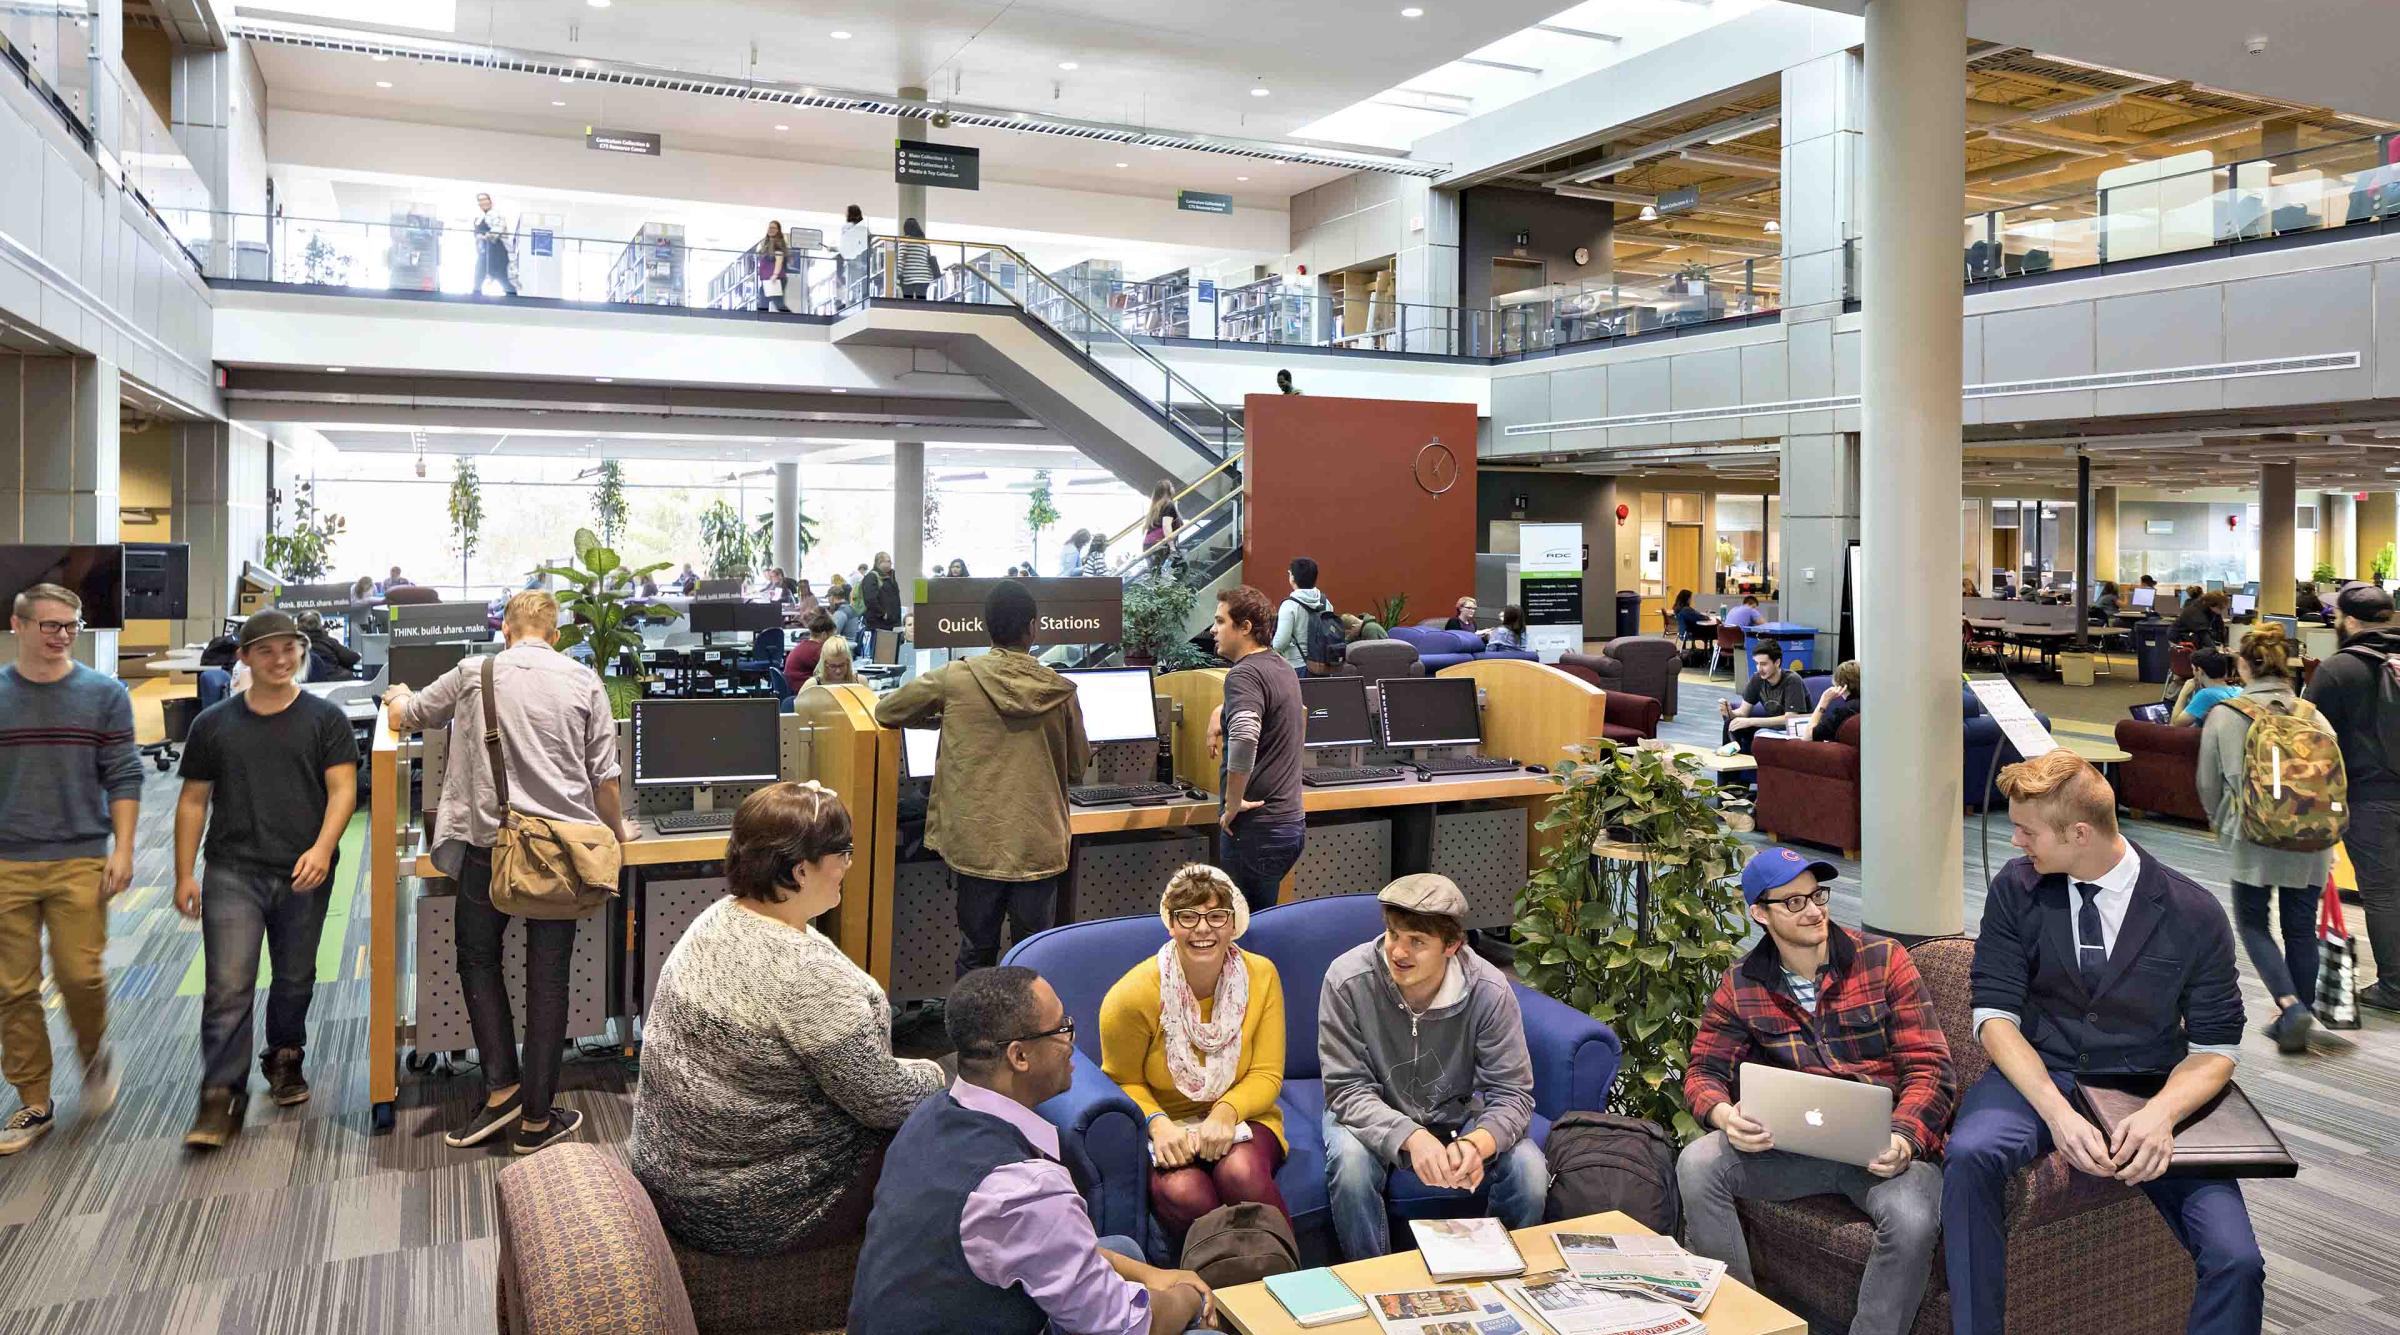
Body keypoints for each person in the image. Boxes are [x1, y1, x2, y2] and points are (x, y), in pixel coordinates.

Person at [1945, 750, 2259, 1335]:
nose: (2015, 842)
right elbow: (1993, 1015)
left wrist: (2163, 1113)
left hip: (2147, 1085)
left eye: (2026, 830)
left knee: (2237, 1260)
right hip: (2042, 1072)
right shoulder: (2016, 889)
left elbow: (2218, 1047)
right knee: (1971, 1154)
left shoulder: (2194, 912)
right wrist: (2058, 1114)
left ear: (2080, 834)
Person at [633, 781, 941, 1256]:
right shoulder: (806, 976)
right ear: (800, 871)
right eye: (843, 852)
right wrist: (940, 1075)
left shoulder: (715, 920)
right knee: (960, 1125)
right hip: (753, 1207)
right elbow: (884, 1100)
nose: (848, 865)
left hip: (675, 1177)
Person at [385, 590, 637, 1155]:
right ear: (555, 633)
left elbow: (408, 714)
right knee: (548, 981)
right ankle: (537, 1119)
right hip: (563, 856)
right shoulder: (583, 680)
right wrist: (619, 834)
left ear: (506, 631)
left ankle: (500, 1089)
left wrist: (397, 693)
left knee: (477, 959)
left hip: (488, 849)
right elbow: (606, 781)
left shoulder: (475, 671)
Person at [849, 966, 1216, 1335]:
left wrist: (1152, 1275)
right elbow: (1126, 1326)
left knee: (1124, 1250)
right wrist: (1189, 1298)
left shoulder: (930, 1114)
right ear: (1019, 1056)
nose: (1071, 1040)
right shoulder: (1023, 1188)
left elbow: (1035, 1242)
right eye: (1060, 1029)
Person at [1679, 849, 1952, 1335]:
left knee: (1913, 1217)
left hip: (1883, 1155)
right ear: (1760, 914)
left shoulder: (1885, 960)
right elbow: (1702, 1072)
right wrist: (1724, 1116)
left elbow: (1931, 1069)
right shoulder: (1741, 985)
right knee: (1699, 1165)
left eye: (1818, 894)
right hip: (1793, 1150)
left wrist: (1905, 1139)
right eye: (1794, 902)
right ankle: (1746, 1327)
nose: (1813, 910)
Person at [169, 611, 359, 1149]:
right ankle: (221, 1094)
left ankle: (285, 1056)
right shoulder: (214, 724)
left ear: (301, 652)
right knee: (228, 986)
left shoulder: (325, 719)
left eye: (289, 649)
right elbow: (192, 802)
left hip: (305, 869)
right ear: (245, 658)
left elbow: (343, 791)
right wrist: (184, 872)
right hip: (233, 869)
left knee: (295, 975)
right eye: (267, 651)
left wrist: (323, 849)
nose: (280, 660)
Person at [1319, 874, 1546, 1262]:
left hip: (1457, 1113)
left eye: (1417, 942)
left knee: (1529, 1169)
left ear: (1453, 946)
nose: (1398, 952)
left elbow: (1512, 1093)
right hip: (1369, 1112)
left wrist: (1478, 1143)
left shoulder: (1489, 991)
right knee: (1351, 1165)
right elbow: (1346, 1089)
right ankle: (1375, 1280)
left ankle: (1502, 1277)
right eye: (1393, 934)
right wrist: (1411, 1136)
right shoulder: (1347, 980)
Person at [875, 581, 1090, 976]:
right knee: (1032, 957)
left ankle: (971, 1037)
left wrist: (944, 720)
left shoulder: (956, 678)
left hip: (977, 842)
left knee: (976, 951)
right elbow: (1077, 767)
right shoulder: (1060, 690)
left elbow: (887, 711)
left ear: (987, 628)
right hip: (1038, 842)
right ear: (1033, 628)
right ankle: (1028, 1034)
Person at [0, 584, 137, 1156]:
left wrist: (124, 849)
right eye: (49, 625)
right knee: (12, 987)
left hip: (80, 856)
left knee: (80, 975)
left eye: (71, 626)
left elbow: (124, 775)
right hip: (6, 859)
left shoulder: (104, 694)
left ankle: (92, 1050)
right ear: (18, 625)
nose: (60, 636)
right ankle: (34, 1099)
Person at [1100, 865, 1290, 1241]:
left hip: (1242, 1116)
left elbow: (1267, 1073)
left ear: (1233, 923)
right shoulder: (1132, 995)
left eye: (1216, 916)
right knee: (1184, 1192)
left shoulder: (1262, 975)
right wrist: (1157, 1122)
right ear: (1170, 923)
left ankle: (1292, 1284)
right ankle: (1223, 1292)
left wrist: (1225, 1112)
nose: (1203, 929)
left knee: (1240, 1173)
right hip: (1168, 1128)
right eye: (1188, 917)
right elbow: (1121, 1080)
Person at [2198, 623, 2337, 1053]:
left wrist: (2218, 822)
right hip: (2312, 836)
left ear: (2243, 665)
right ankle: (2304, 1010)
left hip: (2252, 832)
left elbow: (2207, 782)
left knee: (2254, 923)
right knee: (2299, 925)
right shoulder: (2312, 715)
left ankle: (2289, 1005)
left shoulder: (2226, 714)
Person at [2308, 582, 2400, 1011]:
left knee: (2382, 891)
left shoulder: (2337, 669)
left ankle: (2394, 987)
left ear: (2346, 620)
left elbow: (2309, 742)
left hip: (2369, 796)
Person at [1214, 585, 1305, 912]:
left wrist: (1233, 801)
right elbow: (1260, 712)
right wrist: (1219, 712)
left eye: (1221, 621)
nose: (1213, 629)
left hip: (1255, 830)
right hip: (1288, 824)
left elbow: (1245, 734)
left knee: (1243, 931)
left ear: (1246, 627)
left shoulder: (1244, 674)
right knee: (1263, 920)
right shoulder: (1281, 667)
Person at [1719, 641, 1810, 757]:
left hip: (1795, 729)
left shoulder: (1792, 680)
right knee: (1731, 724)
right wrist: (1730, 712)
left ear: (1777, 662)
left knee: (1749, 727)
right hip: (1772, 727)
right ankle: (1731, 768)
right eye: (1757, 663)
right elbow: (1743, 712)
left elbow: (1790, 718)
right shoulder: (1757, 679)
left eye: (1764, 664)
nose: (1759, 668)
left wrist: (1751, 721)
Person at [1272, 557, 1331, 673]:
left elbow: (1280, 643)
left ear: (1292, 577)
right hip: (1323, 666)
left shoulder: (1289, 605)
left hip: (1297, 667)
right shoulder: (1325, 602)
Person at [2170, 649, 2238, 726]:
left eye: (2193, 669)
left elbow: (2175, 725)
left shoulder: (2206, 694)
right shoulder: (2239, 690)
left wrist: (2183, 693)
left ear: (2199, 670)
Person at [1802, 658, 1862, 742]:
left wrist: (1823, 701)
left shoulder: (1847, 710)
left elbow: (1808, 736)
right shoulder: (1873, 704)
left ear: (1841, 685)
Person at [470, 192, 517, 297]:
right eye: (481, 201)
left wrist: (485, 236)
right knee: (479, 274)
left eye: (485, 200)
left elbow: (496, 231)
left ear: (490, 202)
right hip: (485, 253)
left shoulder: (496, 215)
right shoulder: (479, 219)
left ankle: (513, 297)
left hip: (497, 252)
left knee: (502, 276)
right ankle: (475, 296)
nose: (483, 203)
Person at [294, 610, 360, 681]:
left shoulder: (295, 645)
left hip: (306, 684)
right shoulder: (329, 641)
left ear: (298, 626)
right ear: (320, 625)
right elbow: (353, 658)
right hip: (334, 682)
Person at [860, 551, 902, 658]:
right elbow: (870, 599)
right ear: (879, 562)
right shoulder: (871, 577)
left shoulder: (890, 577)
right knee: (878, 654)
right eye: (888, 561)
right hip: (878, 624)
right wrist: (882, 613)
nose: (890, 563)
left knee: (889, 654)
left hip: (890, 623)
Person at [783, 612, 834, 689]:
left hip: (792, 686)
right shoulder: (818, 650)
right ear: (824, 635)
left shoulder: (804, 645)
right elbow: (833, 672)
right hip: (802, 691)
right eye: (832, 635)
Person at [1143, 480, 1182, 574]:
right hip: (1160, 545)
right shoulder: (1169, 505)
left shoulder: (1156, 507)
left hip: (1149, 544)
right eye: (1172, 486)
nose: (1173, 488)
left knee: (1155, 574)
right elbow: (1166, 526)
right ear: (1167, 491)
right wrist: (1172, 547)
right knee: (1175, 571)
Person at [896, 217, 938, 299]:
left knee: (908, 301)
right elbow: (927, 258)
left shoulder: (905, 241)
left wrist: (897, 274)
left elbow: (902, 258)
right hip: (924, 277)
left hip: (909, 277)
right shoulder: (924, 242)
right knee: (921, 301)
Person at [837, 203, 871, 302]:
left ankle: (851, 301)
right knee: (862, 282)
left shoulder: (846, 227)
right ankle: (862, 298)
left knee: (851, 284)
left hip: (851, 260)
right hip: (863, 260)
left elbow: (844, 245)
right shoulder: (865, 229)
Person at [755, 219, 790, 313]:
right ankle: (762, 320)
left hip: (775, 278)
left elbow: (779, 260)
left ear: (778, 230)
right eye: (770, 227)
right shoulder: (766, 244)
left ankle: (793, 320)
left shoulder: (777, 243)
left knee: (778, 303)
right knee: (763, 302)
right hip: (767, 279)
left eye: (774, 228)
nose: (771, 229)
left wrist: (775, 275)